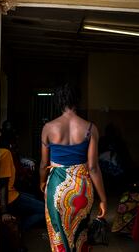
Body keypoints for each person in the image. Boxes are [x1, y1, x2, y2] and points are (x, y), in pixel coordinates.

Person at [40, 84, 107, 252]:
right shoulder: (90, 128)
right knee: (80, 235)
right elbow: (93, 168)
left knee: (58, 234)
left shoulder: (48, 128)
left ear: (59, 101)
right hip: (82, 189)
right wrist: (103, 199)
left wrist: (42, 183)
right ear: (77, 101)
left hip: (56, 188)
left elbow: (43, 164)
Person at [0, 148, 45, 233]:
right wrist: (4, 212)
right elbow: (3, 184)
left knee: (34, 197)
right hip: (8, 197)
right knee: (46, 210)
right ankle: (20, 227)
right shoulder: (4, 153)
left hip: (8, 194)